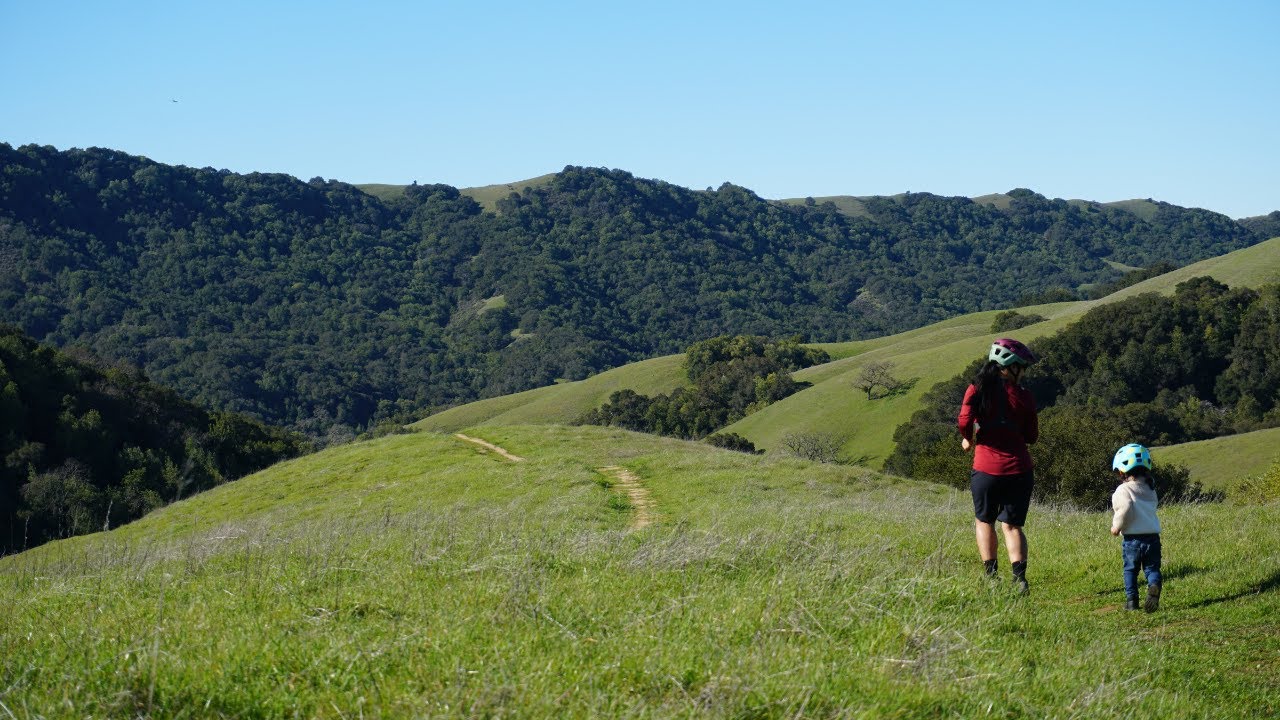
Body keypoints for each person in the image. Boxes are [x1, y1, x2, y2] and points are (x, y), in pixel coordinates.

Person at [957, 338, 1039, 593]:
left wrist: (969, 438)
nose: (1023, 372)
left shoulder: (976, 389)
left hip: (986, 469)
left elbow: (963, 421)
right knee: (1013, 526)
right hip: (1019, 470)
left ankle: (991, 577)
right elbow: (1032, 436)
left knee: (984, 521)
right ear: (1010, 367)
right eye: (1021, 367)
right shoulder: (1024, 396)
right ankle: (1020, 579)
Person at [1110, 443, 1163, 612]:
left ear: (1122, 471)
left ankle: (1132, 602)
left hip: (1133, 540)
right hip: (1153, 538)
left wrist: (1116, 527)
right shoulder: (1150, 488)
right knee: (1152, 568)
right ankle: (1154, 585)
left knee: (1130, 571)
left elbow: (1124, 508)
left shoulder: (1123, 490)